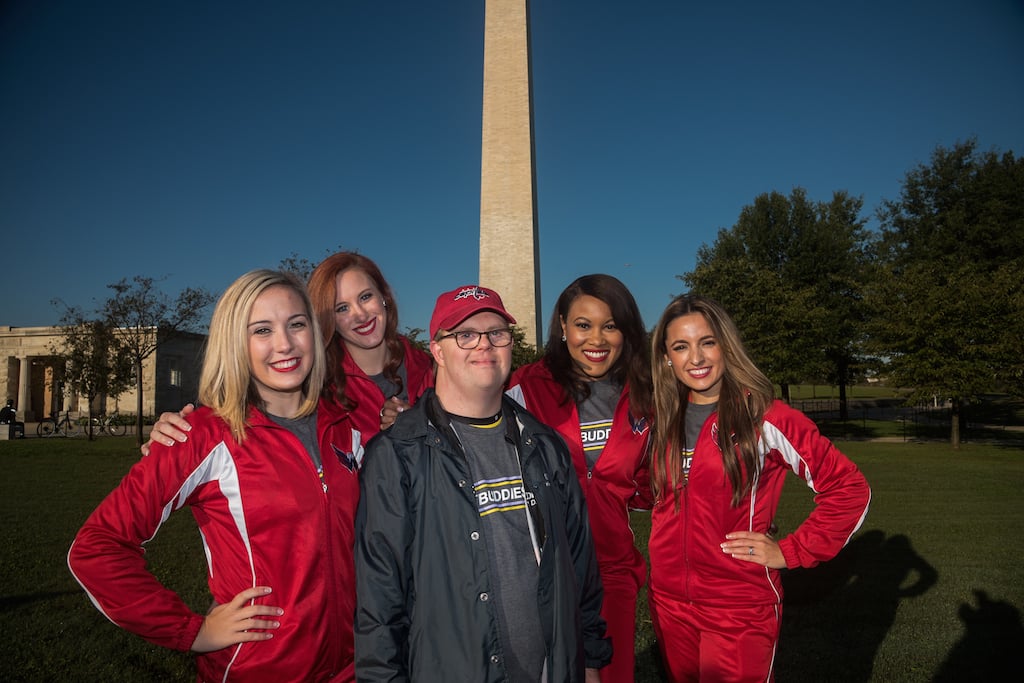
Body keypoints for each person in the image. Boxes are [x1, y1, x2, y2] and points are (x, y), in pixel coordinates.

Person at [69, 270, 362, 682]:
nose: (285, 344)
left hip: (354, 668)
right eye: (262, 330)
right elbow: (96, 549)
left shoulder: (347, 428)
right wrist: (193, 631)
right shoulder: (201, 436)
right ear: (235, 343)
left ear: (314, 332)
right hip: (258, 670)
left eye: (296, 324)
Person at [354, 284, 611, 682]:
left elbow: (580, 567)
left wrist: (590, 659)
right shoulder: (397, 455)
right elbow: (380, 602)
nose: (484, 345)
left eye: (497, 333)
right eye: (465, 335)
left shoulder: (545, 445)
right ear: (437, 351)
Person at [646, 294, 871, 682]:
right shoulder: (661, 419)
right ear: (667, 357)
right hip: (668, 603)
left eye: (707, 342)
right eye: (681, 347)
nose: (696, 358)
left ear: (726, 346)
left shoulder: (765, 416)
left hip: (739, 605)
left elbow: (849, 488)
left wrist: (790, 551)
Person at [506, 273, 652, 683]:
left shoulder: (644, 393)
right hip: (543, 573)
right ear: (563, 328)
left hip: (613, 570)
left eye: (611, 325)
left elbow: (649, 479)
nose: (597, 339)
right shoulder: (524, 388)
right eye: (584, 325)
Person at [146, 251, 432, 449]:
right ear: (326, 318)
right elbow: (252, 412)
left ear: (384, 297)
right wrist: (180, 431)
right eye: (341, 308)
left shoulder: (431, 367)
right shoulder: (315, 384)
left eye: (366, 297)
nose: (360, 314)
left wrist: (419, 425)